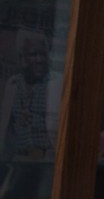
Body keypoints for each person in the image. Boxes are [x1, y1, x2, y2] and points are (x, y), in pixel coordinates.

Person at [0, 32, 62, 160]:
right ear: (21, 57)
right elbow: (7, 127)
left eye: (43, 54)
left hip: (49, 161)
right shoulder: (13, 85)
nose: (39, 60)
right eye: (33, 54)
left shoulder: (59, 83)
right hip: (18, 161)